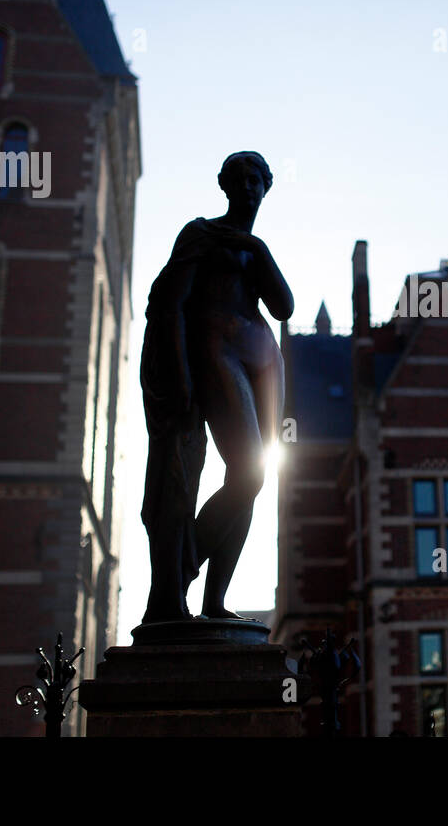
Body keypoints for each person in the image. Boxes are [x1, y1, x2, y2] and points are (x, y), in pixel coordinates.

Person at [139, 151, 293, 622]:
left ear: (267, 187)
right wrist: (181, 372)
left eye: (257, 179)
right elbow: (169, 303)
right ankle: (178, 574)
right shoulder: (201, 233)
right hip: (216, 347)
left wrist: (260, 251)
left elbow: (283, 306)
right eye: (240, 178)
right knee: (250, 473)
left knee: (248, 483)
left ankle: (214, 601)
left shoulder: (253, 246)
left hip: (263, 356)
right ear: (224, 185)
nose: (249, 186)